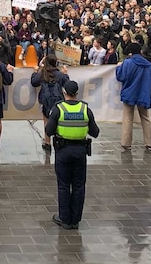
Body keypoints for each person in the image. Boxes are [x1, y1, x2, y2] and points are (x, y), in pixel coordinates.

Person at [45, 80, 100, 230]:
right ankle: (75, 219)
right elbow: (95, 132)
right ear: (76, 93)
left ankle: (64, 218)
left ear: (64, 92)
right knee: (78, 185)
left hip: (63, 151)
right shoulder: (85, 109)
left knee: (63, 185)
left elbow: (48, 131)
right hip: (80, 152)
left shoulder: (58, 109)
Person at [115, 43, 151, 151]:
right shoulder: (148, 64)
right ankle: (149, 143)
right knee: (145, 118)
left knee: (128, 118)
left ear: (130, 52)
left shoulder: (127, 63)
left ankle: (126, 143)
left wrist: (118, 67)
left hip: (129, 93)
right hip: (143, 94)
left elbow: (120, 76)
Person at [31, 55, 70, 153]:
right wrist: (65, 74)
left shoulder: (42, 74)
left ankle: (47, 143)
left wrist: (35, 72)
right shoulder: (60, 75)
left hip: (45, 99)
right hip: (58, 99)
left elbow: (34, 82)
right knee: (58, 120)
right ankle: (59, 138)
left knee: (46, 121)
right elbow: (67, 84)